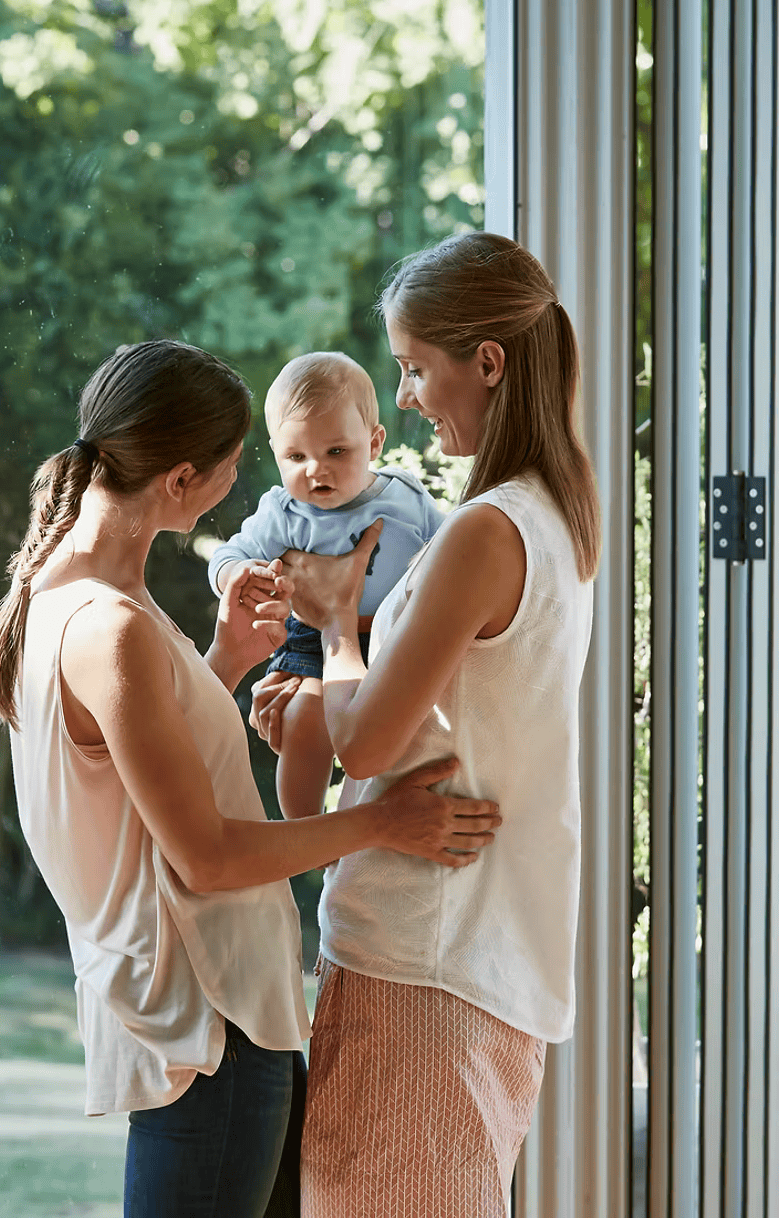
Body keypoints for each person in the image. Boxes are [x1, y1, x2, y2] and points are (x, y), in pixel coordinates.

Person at [0, 339, 502, 1218]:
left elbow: (134, 779)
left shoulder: (67, 597)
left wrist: (223, 659)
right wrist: (382, 824)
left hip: (209, 1018)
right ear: (180, 480)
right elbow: (208, 857)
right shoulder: (111, 626)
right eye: (234, 466)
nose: (252, 482)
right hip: (212, 1025)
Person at [250, 233, 601, 1218]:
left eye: (413, 367)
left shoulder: (484, 532)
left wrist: (331, 632)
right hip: (479, 953)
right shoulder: (555, 515)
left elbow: (364, 743)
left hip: (420, 961)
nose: (403, 395)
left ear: (485, 362)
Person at [209, 351, 443, 817]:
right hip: (314, 642)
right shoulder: (283, 513)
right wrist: (235, 575)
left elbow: (447, 550)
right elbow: (229, 553)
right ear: (276, 453)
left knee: (412, 733)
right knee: (301, 722)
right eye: (296, 456)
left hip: (396, 635)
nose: (316, 470)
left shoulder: (405, 496)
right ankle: (310, 831)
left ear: (374, 443)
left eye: (336, 452)